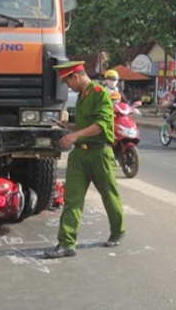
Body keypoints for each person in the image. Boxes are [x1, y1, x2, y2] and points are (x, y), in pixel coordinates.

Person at [45, 61, 125, 259]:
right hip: (79, 155)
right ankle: (66, 243)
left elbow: (100, 125)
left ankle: (118, 230)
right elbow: (85, 124)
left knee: (109, 195)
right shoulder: (82, 96)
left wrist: (75, 135)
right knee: (72, 199)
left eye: (67, 82)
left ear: (76, 76)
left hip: (99, 154)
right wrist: (70, 127)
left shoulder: (100, 93)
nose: (68, 87)